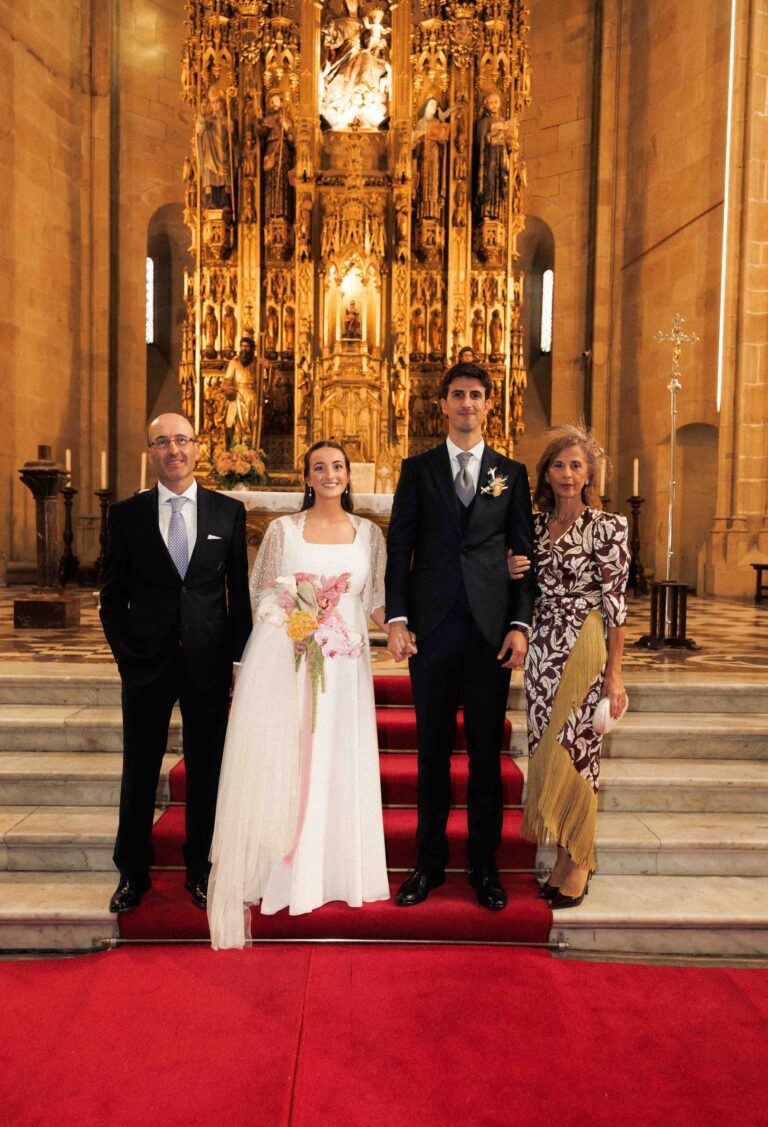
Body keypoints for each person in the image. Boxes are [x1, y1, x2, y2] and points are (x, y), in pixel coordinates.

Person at [208, 441, 390, 948]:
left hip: (347, 665)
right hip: (290, 660)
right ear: (306, 477)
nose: (329, 474)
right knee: (290, 758)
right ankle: (285, 872)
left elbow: (374, 600)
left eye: (337, 467)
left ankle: (335, 870)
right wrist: (299, 617)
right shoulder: (282, 530)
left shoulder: (370, 534)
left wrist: (397, 629)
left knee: (338, 759)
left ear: (349, 476)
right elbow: (260, 592)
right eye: (319, 468)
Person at [385, 362, 536, 911]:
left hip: (489, 633)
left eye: (476, 395)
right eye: (457, 395)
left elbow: (524, 554)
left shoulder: (510, 473)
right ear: (442, 405)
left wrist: (519, 626)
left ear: (488, 404)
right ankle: (427, 865)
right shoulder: (417, 469)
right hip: (431, 630)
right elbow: (400, 545)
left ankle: (483, 866)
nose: (467, 404)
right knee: (430, 753)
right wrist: (397, 618)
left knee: (483, 758)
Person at [100, 413, 252, 914]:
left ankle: (202, 870)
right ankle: (132, 872)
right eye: (162, 442)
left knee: (207, 769)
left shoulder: (228, 512)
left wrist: (238, 659)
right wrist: (127, 657)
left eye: (182, 439)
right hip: (146, 663)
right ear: (150, 452)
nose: (173, 449)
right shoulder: (126, 516)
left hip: (207, 664)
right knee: (139, 768)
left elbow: (238, 596)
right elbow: (111, 597)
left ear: (197, 447)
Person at [510, 424, 629, 909]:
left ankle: (580, 860)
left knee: (578, 754)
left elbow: (617, 607)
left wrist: (614, 674)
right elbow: (525, 587)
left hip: (584, 645)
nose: (566, 474)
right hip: (542, 650)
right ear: (546, 473)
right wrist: (509, 569)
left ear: (590, 473)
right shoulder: (535, 526)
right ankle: (562, 855)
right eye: (558, 465)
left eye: (576, 465)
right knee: (546, 749)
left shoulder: (608, 526)